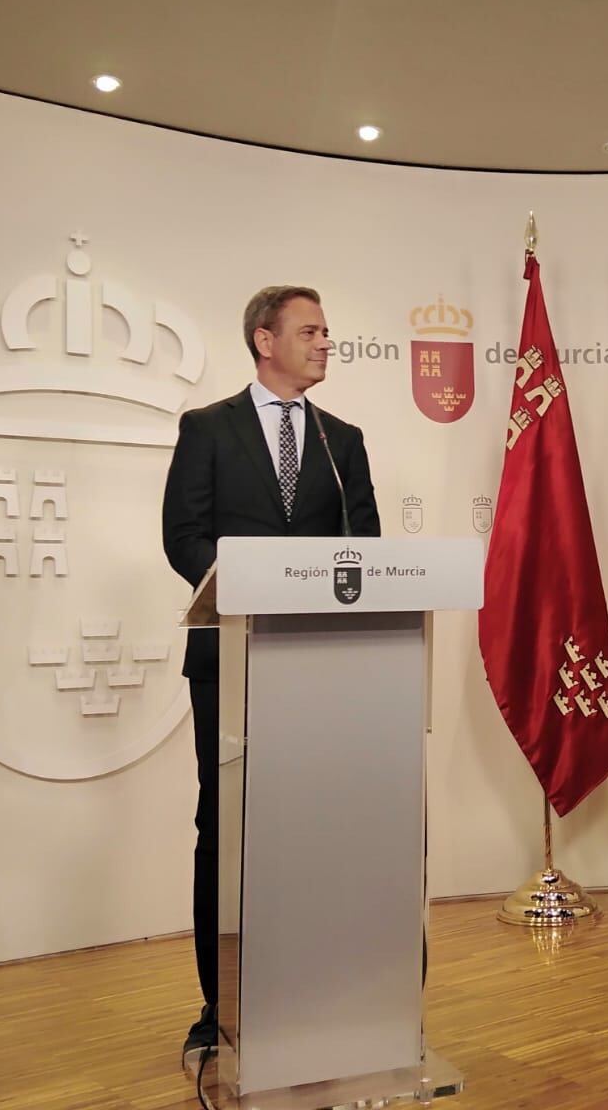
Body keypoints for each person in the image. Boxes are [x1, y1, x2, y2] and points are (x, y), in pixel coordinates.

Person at [161, 285, 380, 1062]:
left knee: (307, 830)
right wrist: (245, 586)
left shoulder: (340, 439)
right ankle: (216, 1006)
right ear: (265, 339)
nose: (327, 343)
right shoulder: (208, 429)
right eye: (312, 331)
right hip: (229, 655)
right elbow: (184, 536)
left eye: (329, 331)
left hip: (315, 663)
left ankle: (306, 992)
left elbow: (366, 546)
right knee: (222, 827)